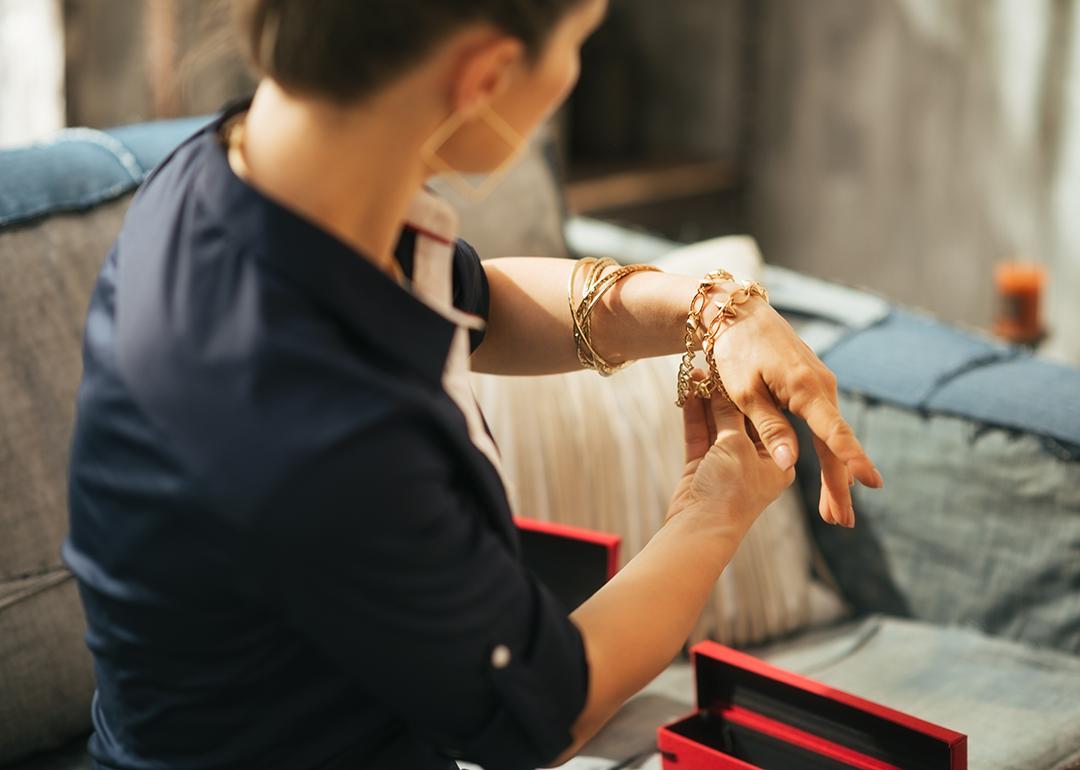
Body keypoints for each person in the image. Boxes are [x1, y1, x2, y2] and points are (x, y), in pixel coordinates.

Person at [64, 1, 884, 768]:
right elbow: (546, 704)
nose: (573, 75)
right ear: (484, 77)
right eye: (575, 45)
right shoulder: (318, 424)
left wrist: (706, 309)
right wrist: (718, 508)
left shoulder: (234, 174)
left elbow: (474, 300)